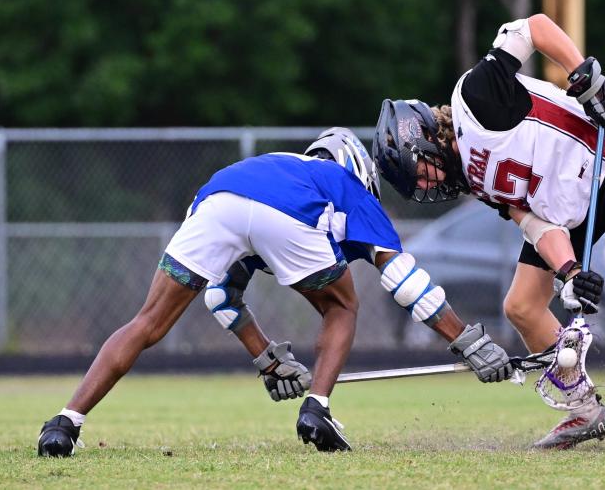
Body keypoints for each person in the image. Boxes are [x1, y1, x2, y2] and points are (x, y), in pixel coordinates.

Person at [37, 127, 514, 456]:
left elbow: (220, 297)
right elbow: (403, 279)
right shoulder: (343, 182)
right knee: (344, 306)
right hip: (287, 212)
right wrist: (464, 340)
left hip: (217, 198)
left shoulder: (263, 166)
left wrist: (266, 357)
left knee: (147, 322)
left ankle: (64, 422)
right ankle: (318, 410)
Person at [372, 13, 605, 454]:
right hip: (566, 210)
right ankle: (585, 409)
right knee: (522, 306)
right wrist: (569, 272)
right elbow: (533, 222)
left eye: (419, 173)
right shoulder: (475, 181)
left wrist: (582, 72)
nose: (425, 185)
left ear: (428, 139)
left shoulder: (476, 101)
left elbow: (531, 28)